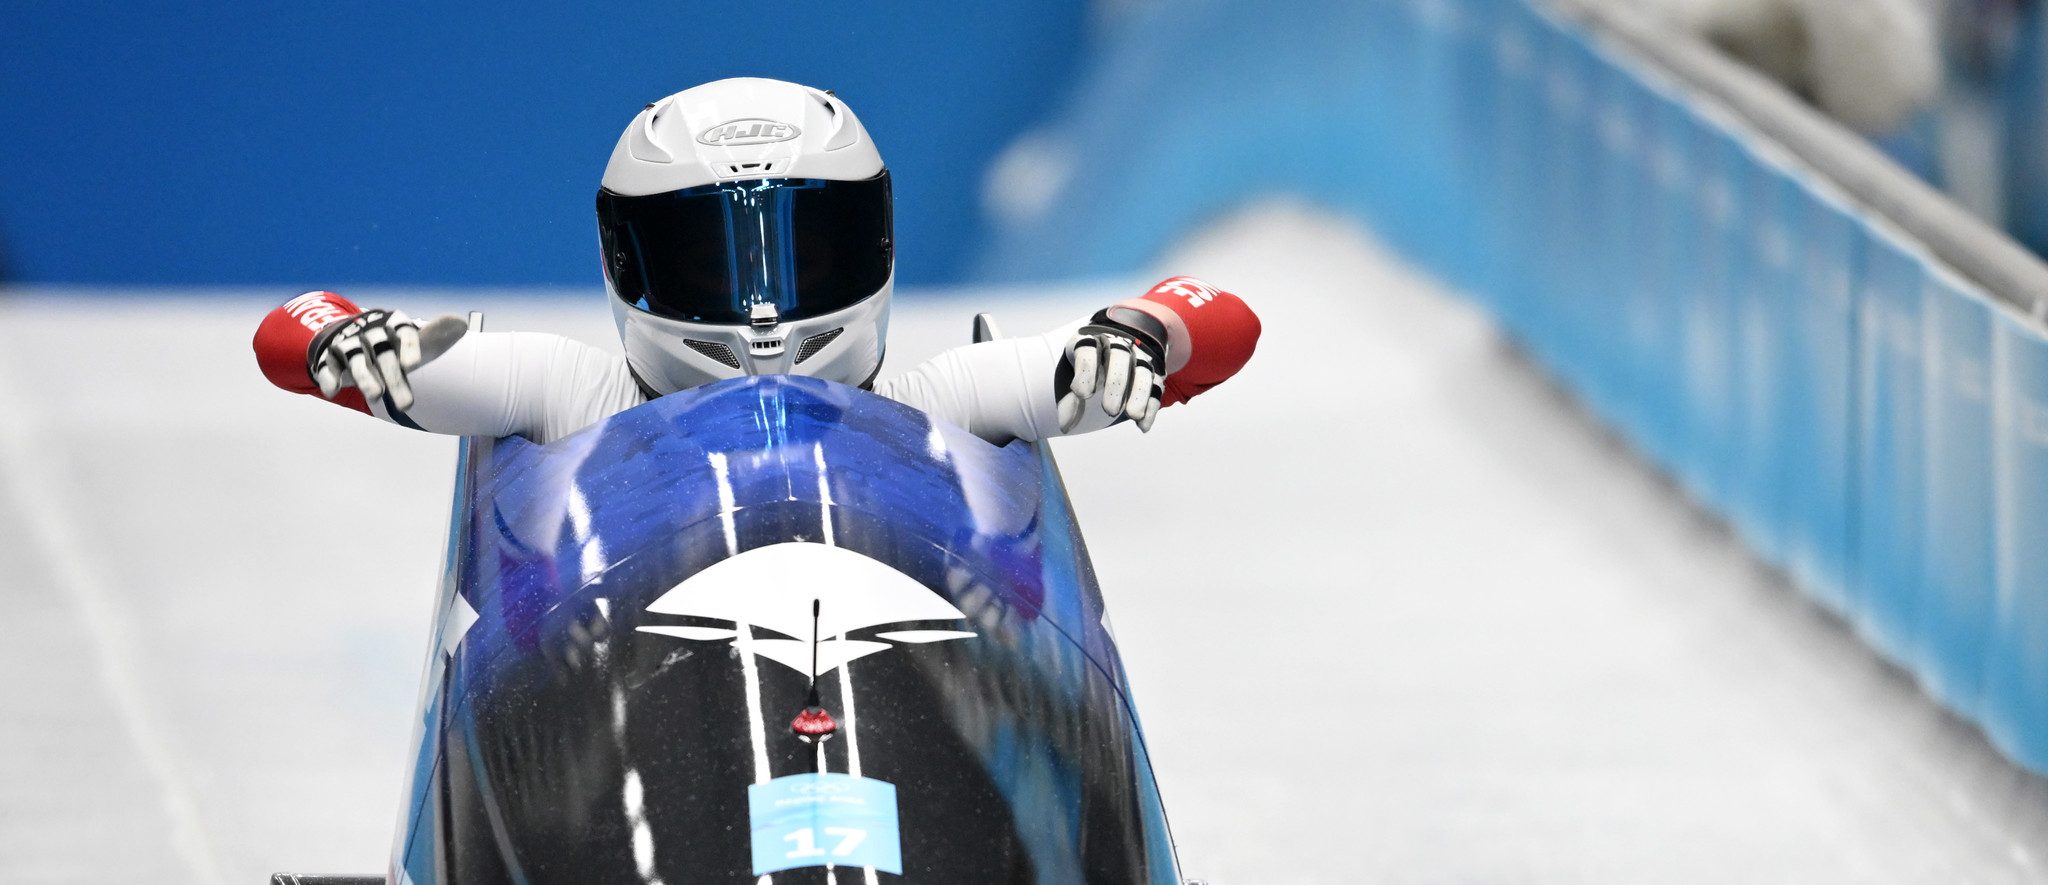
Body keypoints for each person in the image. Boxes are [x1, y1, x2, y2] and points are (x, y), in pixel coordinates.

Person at [252, 77, 1258, 446]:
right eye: (708, 250)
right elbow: (290, 332)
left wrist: (1135, 333)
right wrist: (345, 337)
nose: (761, 300)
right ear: (626, 254)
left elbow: (1215, 320)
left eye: (803, 243)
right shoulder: (564, 393)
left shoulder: (949, 400)